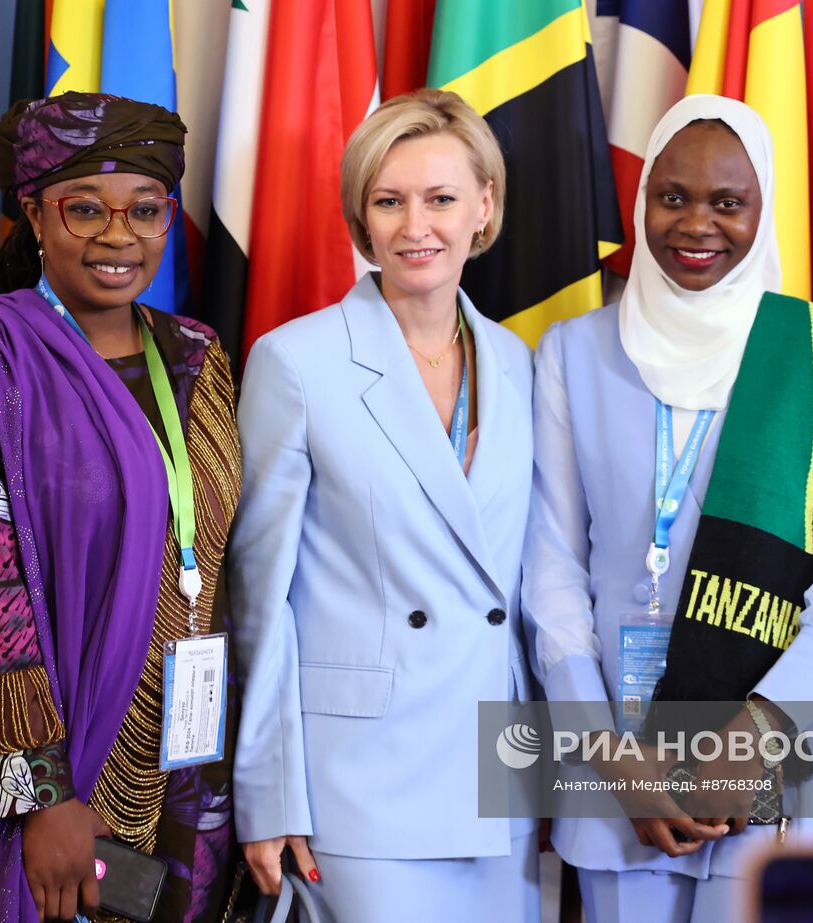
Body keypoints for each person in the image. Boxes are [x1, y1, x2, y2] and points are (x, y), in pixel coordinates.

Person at [522, 94, 813, 921]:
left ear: (763, 210)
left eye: (728, 202)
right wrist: (606, 751)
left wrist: (761, 729)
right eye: (674, 197)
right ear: (642, 200)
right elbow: (552, 568)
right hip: (629, 764)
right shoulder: (572, 353)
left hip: (793, 754)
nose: (697, 224)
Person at [0, 92, 242, 922]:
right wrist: (42, 797)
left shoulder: (196, 358)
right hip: (40, 795)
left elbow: (219, 571)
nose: (119, 236)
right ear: (35, 216)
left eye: (145, 210)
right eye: (86, 209)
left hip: (184, 770)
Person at [229, 88, 539, 923]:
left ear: (484, 207)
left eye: (440, 199)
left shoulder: (519, 363)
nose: (416, 226)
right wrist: (268, 791)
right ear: (361, 219)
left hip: (497, 775)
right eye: (389, 201)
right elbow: (260, 599)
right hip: (357, 782)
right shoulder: (296, 362)